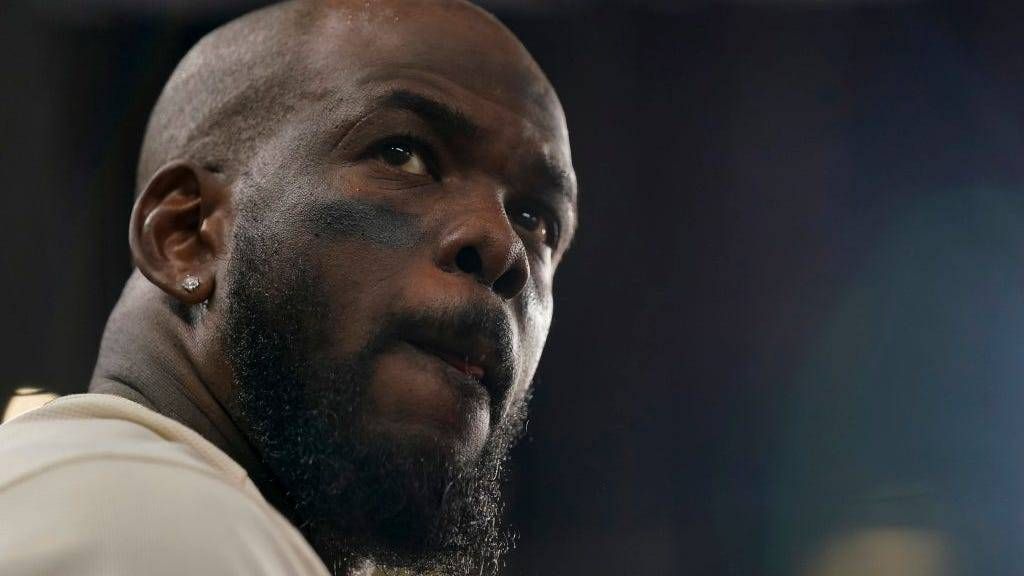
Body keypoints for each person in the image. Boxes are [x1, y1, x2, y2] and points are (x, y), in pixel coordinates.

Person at [0, 0, 577, 574]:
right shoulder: (163, 530)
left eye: (537, 220)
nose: (505, 248)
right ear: (187, 236)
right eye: (402, 155)